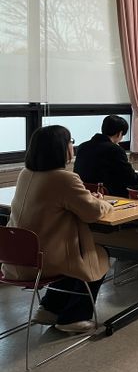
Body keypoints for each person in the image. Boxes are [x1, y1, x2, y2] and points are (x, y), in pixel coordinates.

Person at [2, 125, 113, 333]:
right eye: (70, 141)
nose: (72, 145)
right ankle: (74, 318)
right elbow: (92, 212)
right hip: (43, 260)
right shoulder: (64, 178)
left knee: (74, 257)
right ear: (61, 148)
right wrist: (103, 202)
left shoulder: (26, 174)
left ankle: (49, 308)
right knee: (98, 254)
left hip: (16, 259)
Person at [74, 115, 138, 197]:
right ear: (119, 133)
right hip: (111, 196)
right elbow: (132, 179)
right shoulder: (115, 150)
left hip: (86, 194)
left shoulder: (82, 146)